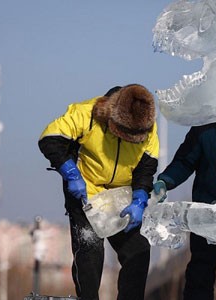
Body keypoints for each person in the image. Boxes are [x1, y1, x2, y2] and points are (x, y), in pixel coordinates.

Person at [38, 84, 159, 300]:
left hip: (122, 198)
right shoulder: (86, 113)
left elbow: (146, 166)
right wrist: (71, 173)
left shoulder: (147, 125)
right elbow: (49, 139)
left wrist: (140, 198)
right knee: (90, 253)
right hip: (86, 195)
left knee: (138, 252)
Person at [152, 122, 216, 300]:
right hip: (206, 209)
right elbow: (185, 161)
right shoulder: (204, 127)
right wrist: (165, 181)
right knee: (200, 271)